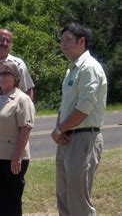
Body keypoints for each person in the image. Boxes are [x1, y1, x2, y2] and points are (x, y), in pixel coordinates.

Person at [51, 23, 107, 216]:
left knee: (79, 202)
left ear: (81, 41)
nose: (63, 43)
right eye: (62, 39)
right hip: (67, 139)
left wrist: (59, 130)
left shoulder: (89, 68)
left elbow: (84, 108)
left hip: (84, 138)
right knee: (64, 199)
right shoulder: (71, 70)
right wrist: (60, 129)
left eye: (67, 39)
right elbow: (65, 106)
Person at [0, 61, 35, 216]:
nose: (2, 77)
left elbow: (25, 129)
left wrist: (17, 158)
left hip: (12, 160)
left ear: (15, 76)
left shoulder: (22, 99)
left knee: (11, 204)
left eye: (6, 73)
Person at [0, 28, 35, 100]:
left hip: (10, 108)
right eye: (1, 39)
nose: (4, 43)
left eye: (8, 41)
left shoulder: (18, 64)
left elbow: (28, 90)